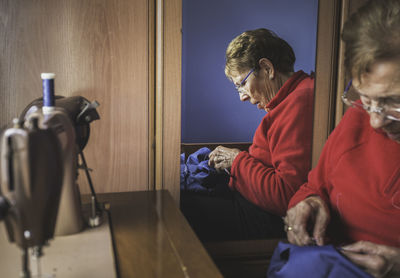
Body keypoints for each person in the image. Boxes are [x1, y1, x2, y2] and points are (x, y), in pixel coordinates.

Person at [284, 0, 400, 277]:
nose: (375, 121)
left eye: (393, 102)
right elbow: (314, 186)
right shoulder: (356, 119)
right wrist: (309, 205)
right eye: (366, 98)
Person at [181, 28, 314, 240]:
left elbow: (288, 196)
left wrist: (237, 161)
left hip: (262, 218)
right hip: (250, 202)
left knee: (174, 208)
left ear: (267, 68)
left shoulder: (299, 103)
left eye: (242, 84)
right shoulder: (289, 100)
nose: (242, 97)